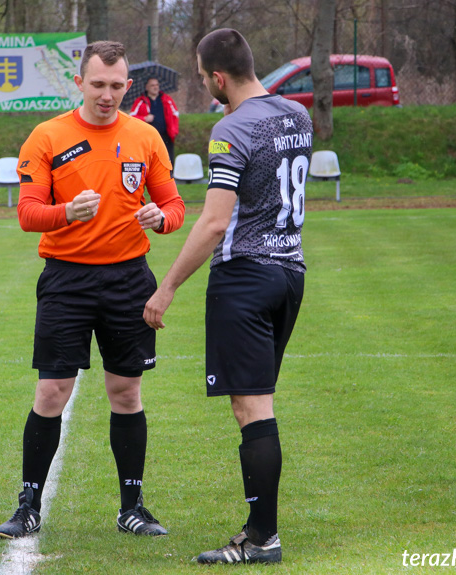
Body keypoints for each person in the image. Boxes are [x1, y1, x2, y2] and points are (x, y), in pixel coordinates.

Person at [0, 40, 185, 540]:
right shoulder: (47, 135)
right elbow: (27, 213)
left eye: (117, 85)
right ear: (78, 83)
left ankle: (133, 507)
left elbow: (175, 206)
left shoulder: (145, 137)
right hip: (66, 280)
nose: (107, 95)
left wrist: (160, 218)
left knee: (126, 392)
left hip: (128, 280)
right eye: (98, 84)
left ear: (128, 84)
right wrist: (66, 213)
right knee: (52, 390)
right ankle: (28, 504)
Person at [143, 28, 312, 565]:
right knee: (257, 402)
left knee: (252, 408)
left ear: (218, 78)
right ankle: (260, 530)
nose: (202, 85)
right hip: (290, 274)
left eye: (200, 77)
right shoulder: (298, 115)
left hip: (245, 277)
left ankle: (263, 539)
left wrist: (165, 288)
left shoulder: (230, 129)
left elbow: (215, 223)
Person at [130, 77, 180, 166]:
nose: (155, 87)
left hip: (166, 136)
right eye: (152, 85)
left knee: (168, 160)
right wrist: (145, 118)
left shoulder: (166, 99)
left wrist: (174, 131)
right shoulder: (140, 101)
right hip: (148, 137)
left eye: (157, 85)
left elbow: (175, 114)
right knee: (150, 160)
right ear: (147, 87)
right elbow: (131, 117)